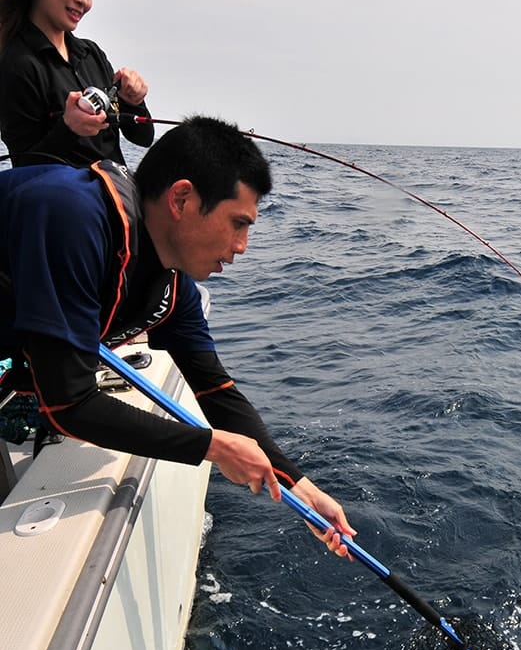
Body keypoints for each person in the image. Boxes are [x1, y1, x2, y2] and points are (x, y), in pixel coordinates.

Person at [0, 115, 354, 555]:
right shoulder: (70, 214)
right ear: (182, 199)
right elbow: (69, 405)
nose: (242, 246)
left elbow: (215, 388)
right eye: (238, 223)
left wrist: (299, 487)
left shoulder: (172, 288)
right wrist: (212, 446)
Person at [0, 0, 153, 168]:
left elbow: (143, 136)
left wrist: (133, 101)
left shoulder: (92, 55)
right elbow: (25, 167)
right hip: (67, 203)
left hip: (115, 194)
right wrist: (69, 129)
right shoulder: (16, 63)